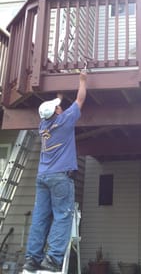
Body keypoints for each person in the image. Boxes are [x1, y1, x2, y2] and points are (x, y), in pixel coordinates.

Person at [23, 70, 87, 272]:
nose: (60, 106)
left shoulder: (44, 125)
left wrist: (58, 96)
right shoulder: (65, 120)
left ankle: (32, 259)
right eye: (59, 106)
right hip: (60, 177)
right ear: (58, 111)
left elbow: (54, 107)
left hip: (43, 176)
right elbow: (79, 99)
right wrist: (82, 80)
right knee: (62, 216)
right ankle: (52, 260)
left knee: (40, 217)